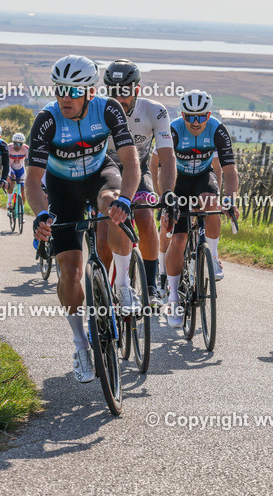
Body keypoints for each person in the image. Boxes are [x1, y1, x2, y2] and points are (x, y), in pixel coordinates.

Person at [28, 55, 140, 384]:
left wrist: (125, 199)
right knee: (71, 271)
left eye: (74, 91)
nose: (66, 97)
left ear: (90, 92)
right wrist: (41, 214)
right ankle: (80, 345)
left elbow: (130, 164)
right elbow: (33, 181)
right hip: (61, 188)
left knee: (112, 206)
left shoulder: (108, 109)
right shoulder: (47, 120)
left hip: (98, 176)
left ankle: (122, 287)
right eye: (61, 89)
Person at [95, 60, 178, 306]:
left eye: (125, 92)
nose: (119, 98)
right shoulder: (98, 110)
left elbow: (167, 157)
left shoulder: (154, 111)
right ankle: (103, 292)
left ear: (137, 90)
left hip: (139, 172)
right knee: (103, 233)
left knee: (144, 215)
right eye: (113, 92)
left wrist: (170, 192)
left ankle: (151, 287)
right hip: (106, 173)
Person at [163, 89, 239, 328]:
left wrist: (232, 199)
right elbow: (159, 165)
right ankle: (173, 297)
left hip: (203, 177)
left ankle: (213, 256)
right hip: (177, 180)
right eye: (190, 117)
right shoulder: (173, 129)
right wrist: (165, 197)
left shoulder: (217, 128)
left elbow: (229, 170)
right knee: (179, 239)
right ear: (182, 115)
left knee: (211, 203)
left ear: (208, 114)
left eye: (201, 117)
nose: (195, 123)